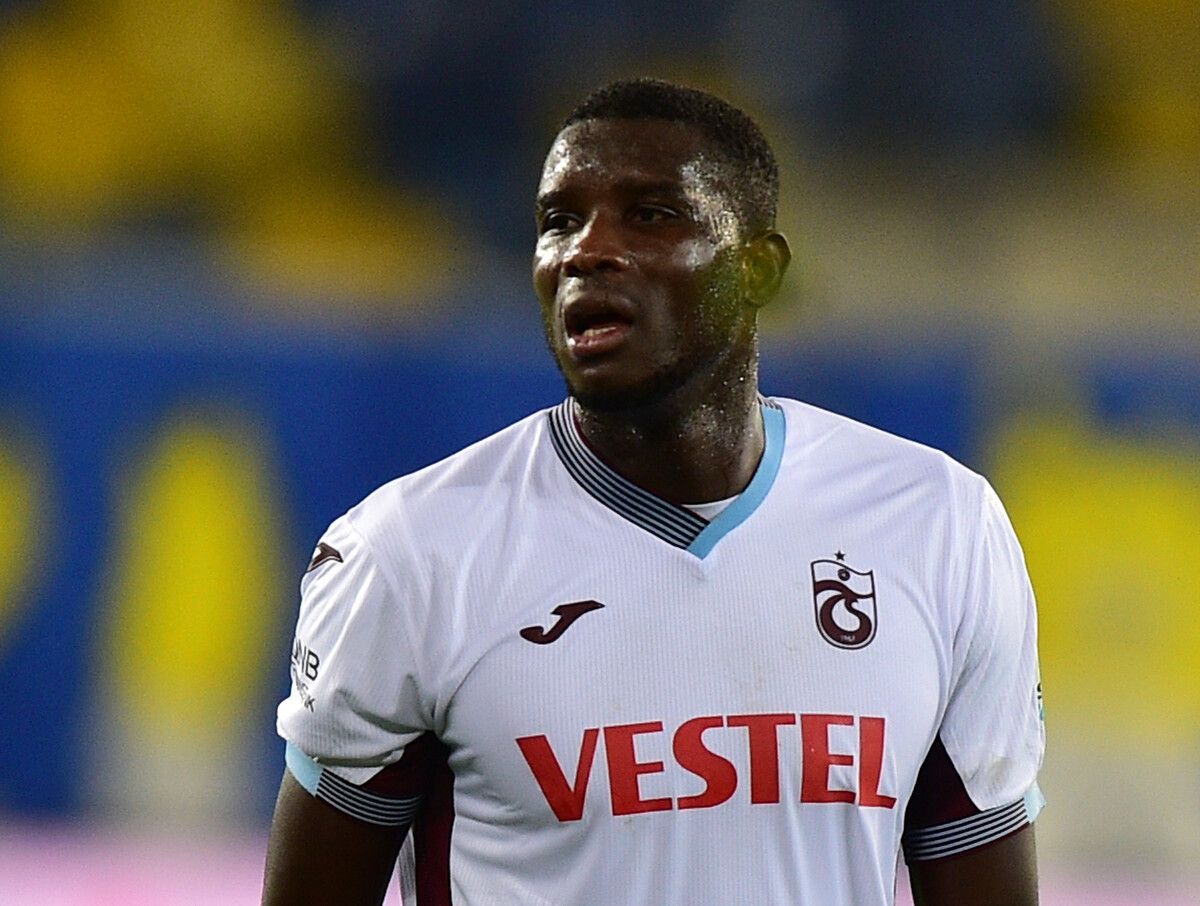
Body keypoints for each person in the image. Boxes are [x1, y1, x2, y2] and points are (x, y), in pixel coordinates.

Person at [262, 78, 1045, 906]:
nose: (586, 251)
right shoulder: (408, 556)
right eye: (559, 220)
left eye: (651, 214)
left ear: (758, 271)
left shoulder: (940, 526)